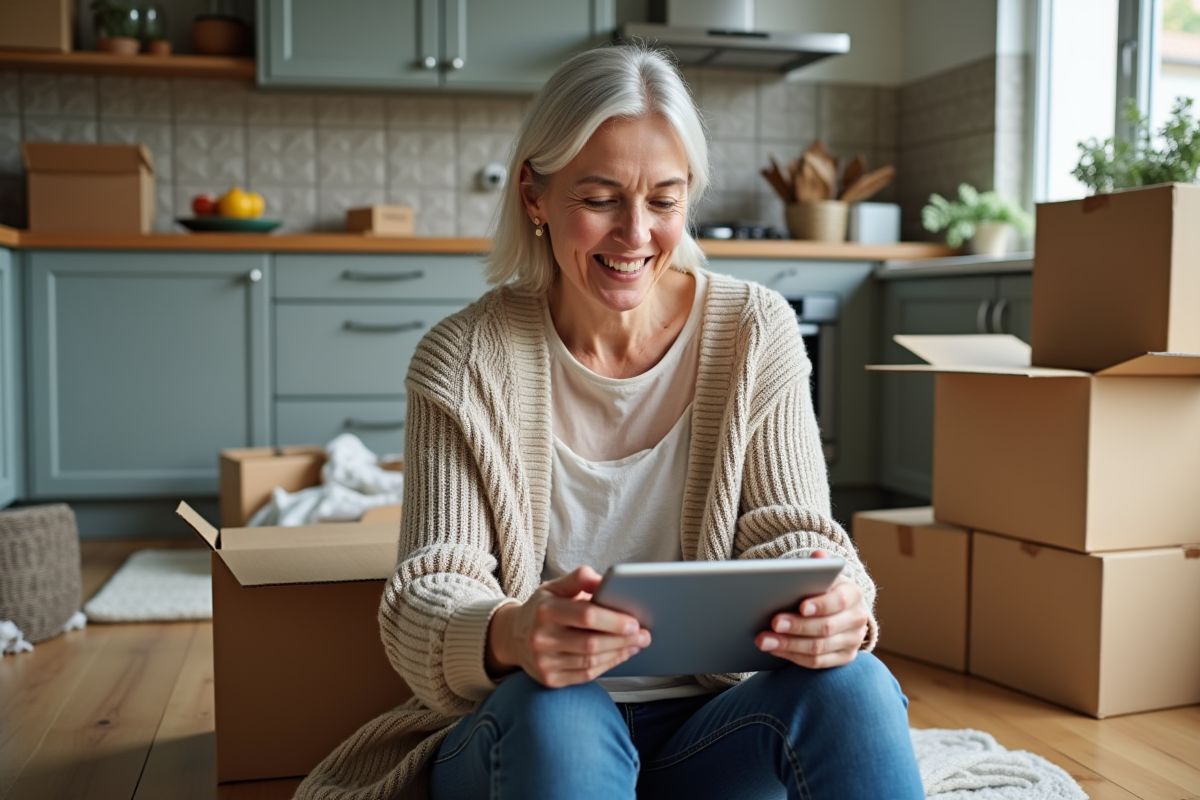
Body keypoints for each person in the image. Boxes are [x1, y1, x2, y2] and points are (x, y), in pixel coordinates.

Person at [296, 45, 925, 800]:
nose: (635, 235)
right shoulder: (463, 360)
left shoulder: (755, 331)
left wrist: (839, 607)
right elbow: (430, 589)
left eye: (663, 200)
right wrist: (512, 632)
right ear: (534, 195)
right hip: (533, 730)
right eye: (599, 199)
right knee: (560, 715)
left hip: (711, 729)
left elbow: (796, 532)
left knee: (855, 685)